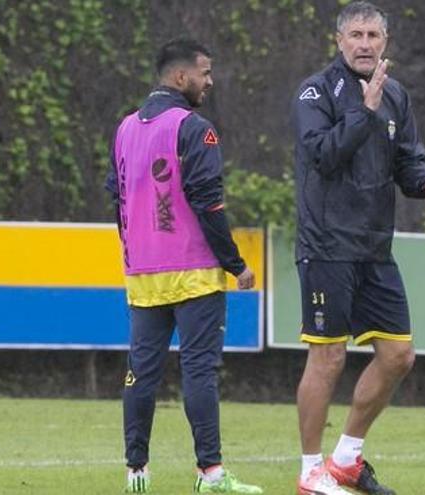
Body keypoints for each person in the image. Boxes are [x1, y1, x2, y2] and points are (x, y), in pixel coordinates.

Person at [291, 2, 425, 494]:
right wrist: (362, 113)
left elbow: (408, 162)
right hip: (326, 245)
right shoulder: (315, 92)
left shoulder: (396, 96)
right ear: (339, 41)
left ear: (385, 42)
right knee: (327, 359)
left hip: (374, 248)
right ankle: (310, 473)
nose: (365, 43)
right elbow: (323, 156)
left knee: (398, 355)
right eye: (356, 35)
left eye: (373, 35)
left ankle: (346, 459)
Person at [106, 38, 263, 493]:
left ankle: (136, 473)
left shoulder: (125, 128)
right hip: (193, 271)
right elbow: (208, 203)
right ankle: (210, 474)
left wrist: (135, 246)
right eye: (205, 72)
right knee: (198, 371)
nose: (209, 81)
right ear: (181, 78)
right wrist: (235, 264)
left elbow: (114, 195)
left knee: (141, 373)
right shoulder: (194, 128)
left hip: (142, 273)